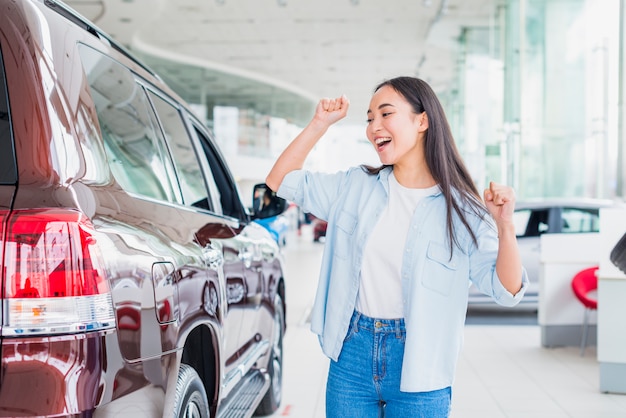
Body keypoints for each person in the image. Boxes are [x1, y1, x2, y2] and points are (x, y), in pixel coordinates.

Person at [265, 76, 528, 418]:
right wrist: (320, 124)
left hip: (422, 365)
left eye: (386, 114)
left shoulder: (463, 209)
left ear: (422, 121)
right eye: (370, 118)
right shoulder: (355, 186)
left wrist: (505, 225)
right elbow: (279, 180)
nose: (374, 126)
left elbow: (506, 290)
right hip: (351, 356)